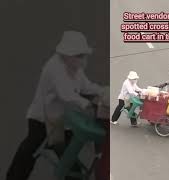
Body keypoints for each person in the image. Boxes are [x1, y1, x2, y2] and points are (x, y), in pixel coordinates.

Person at [6, 31, 106, 180]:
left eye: (83, 55)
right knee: (29, 153)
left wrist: (104, 91)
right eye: (79, 56)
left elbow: (85, 86)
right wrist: (88, 105)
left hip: (60, 119)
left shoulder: (74, 67)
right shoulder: (54, 68)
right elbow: (66, 95)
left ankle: (73, 175)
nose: (83, 60)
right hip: (42, 120)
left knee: (68, 154)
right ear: (67, 54)